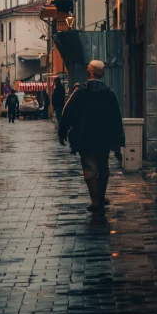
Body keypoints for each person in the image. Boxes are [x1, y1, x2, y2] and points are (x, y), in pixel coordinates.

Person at [58, 60, 124, 212]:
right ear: (102, 74)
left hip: (84, 136)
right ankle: (101, 198)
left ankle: (95, 201)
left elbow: (67, 113)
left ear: (90, 73)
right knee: (103, 167)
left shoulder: (80, 92)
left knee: (89, 168)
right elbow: (116, 117)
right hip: (104, 138)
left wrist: (63, 132)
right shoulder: (109, 93)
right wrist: (119, 139)